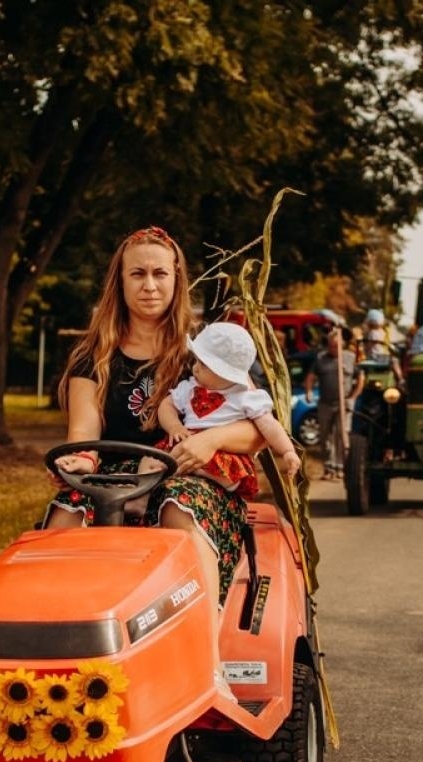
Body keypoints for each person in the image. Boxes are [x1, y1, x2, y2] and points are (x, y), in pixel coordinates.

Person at [47, 226, 263, 687]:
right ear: (119, 283)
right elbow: (84, 432)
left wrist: (210, 440)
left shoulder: (205, 350)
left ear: (176, 279)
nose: (149, 285)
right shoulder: (93, 355)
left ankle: (204, 660)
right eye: (138, 274)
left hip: (190, 469)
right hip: (118, 470)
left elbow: (257, 428)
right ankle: (65, 655)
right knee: (65, 517)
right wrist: (81, 461)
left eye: (160, 274)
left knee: (178, 507)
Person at [137, 322, 300, 498]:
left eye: (204, 365)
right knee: (149, 459)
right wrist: (174, 426)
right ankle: (142, 498)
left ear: (226, 373)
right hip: (186, 440)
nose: (196, 368)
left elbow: (269, 425)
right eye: (197, 361)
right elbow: (167, 405)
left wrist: (287, 451)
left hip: (223, 452)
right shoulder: (190, 387)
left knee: (204, 468)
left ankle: (185, 476)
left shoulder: (246, 396)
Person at [303, 323, 355, 480]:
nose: (334, 349)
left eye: (336, 346)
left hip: (342, 402)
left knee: (340, 436)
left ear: (342, 345)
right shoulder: (321, 359)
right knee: (325, 437)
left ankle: (340, 468)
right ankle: (328, 468)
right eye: (331, 346)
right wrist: (309, 391)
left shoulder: (349, 358)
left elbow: (360, 377)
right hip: (325, 403)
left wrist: (353, 396)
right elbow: (311, 376)